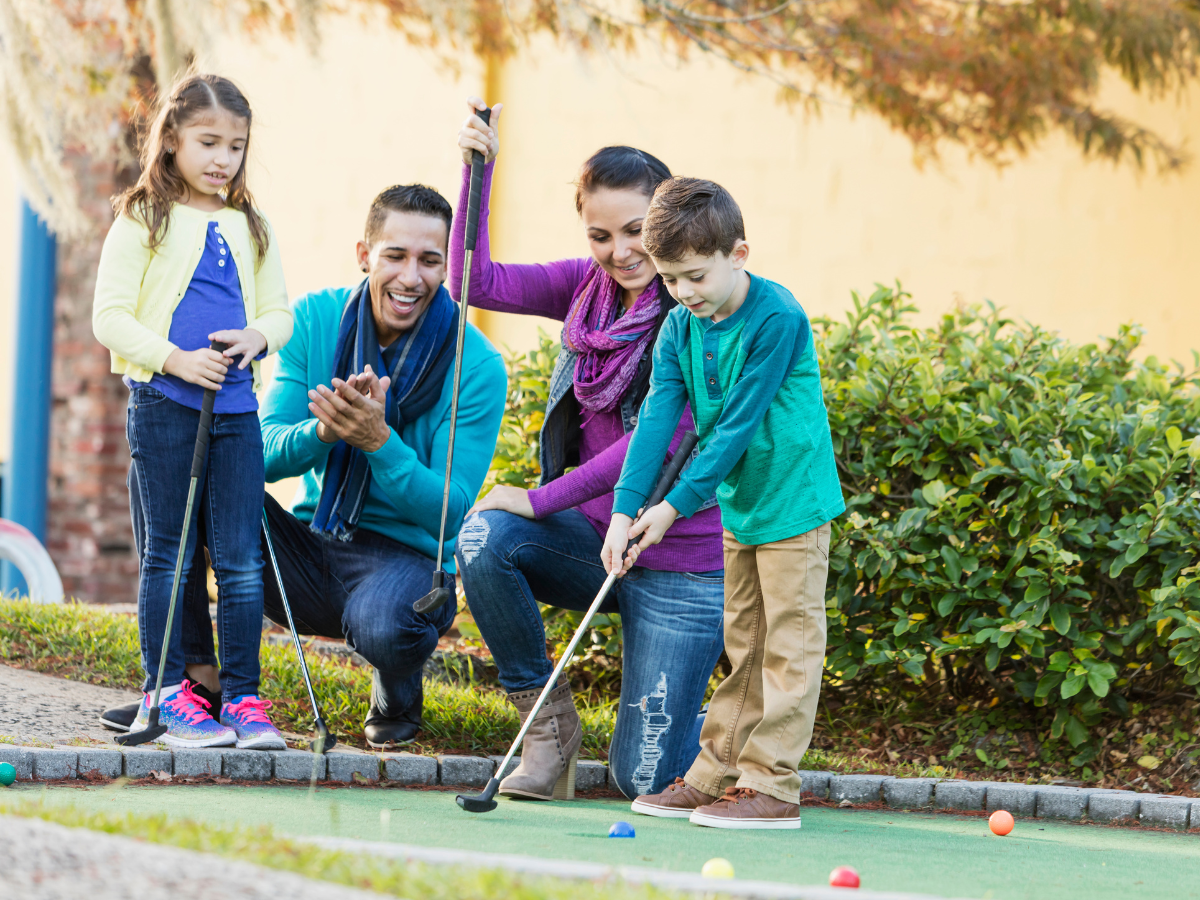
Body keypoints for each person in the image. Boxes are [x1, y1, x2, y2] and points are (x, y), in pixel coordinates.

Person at [451, 99, 726, 801]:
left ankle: (740, 740)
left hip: (678, 565)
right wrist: (476, 175)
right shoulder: (587, 288)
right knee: (487, 536)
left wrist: (543, 497)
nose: (621, 250)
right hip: (596, 543)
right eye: (601, 234)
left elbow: (654, 439)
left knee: (645, 778)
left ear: (668, 222)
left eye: (637, 230)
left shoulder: (697, 307)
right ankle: (548, 732)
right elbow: (472, 283)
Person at [608, 177, 845, 828]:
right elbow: (658, 418)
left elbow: (736, 424)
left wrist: (674, 507)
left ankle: (773, 787)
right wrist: (626, 510)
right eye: (670, 280)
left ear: (738, 254)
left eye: (694, 276)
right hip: (743, 508)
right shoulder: (680, 327)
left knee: (789, 646)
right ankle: (715, 775)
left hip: (793, 503)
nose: (683, 294)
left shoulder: (777, 317)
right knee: (746, 642)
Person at [255, 182, 507, 748]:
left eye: (430, 260)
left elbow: (451, 508)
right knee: (195, 487)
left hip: (407, 559)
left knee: (385, 624)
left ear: (447, 268)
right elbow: (260, 454)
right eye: (395, 255)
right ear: (365, 254)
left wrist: (379, 442)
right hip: (313, 539)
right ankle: (198, 684)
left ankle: (396, 684)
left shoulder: (477, 364)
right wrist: (324, 431)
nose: (411, 277)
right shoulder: (312, 322)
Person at [92, 73, 294, 749]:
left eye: (235, 147)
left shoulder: (250, 224)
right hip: (165, 405)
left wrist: (258, 337)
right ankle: (169, 693)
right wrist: (175, 358)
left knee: (239, 561)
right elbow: (109, 317)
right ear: (172, 138)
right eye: (208, 142)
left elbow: (277, 310)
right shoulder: (143, 216)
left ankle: (241, 698)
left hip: (236, 411)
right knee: (171, 559)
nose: (222, 159)